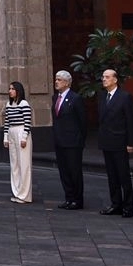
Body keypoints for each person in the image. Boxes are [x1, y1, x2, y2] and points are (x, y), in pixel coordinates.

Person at [96, 68, 133, 216]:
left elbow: (131, 121)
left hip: (120, 141)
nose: (104, 79)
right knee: (112, 176)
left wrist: (131, 143)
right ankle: (115, 203)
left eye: (107, 77)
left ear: (115, 79)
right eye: (103, 77)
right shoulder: (102, 96)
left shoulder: (125, 97)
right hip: (107, 141)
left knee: (123, 175)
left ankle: (128, 206)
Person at [51, 69, 85, 210]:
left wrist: (80, 140)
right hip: (59, 141)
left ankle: (77, 200)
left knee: (74, 171)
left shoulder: (75, 98)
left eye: (59, 80)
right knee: (64, 171)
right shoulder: (55, 98)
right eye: (56, 79)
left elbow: (82, 121)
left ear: (67, 82)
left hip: (73, 142)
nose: (56, 82)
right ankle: (68, 197)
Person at [2, 81, 33, 203]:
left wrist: (24, 137)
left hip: (21, 131)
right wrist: (5, 137)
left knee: (24, 164)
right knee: (14, 164)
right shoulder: (9, 105)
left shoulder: (24, 104)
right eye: (9, 89)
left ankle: (24, 195)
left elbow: (27, 121)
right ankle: (16, 191)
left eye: (12, 89)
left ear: (18, 91)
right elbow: (7, 122)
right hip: (12, 132)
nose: (10, 91)